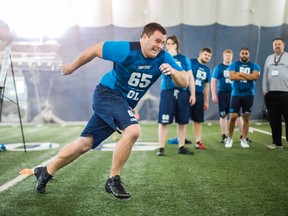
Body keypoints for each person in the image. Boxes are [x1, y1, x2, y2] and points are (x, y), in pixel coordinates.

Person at [33, 22, 188, 199]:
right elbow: (94, 49)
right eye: (157, 41)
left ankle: (45, 171)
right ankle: (113, 179)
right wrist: (72, 67)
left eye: (163, 42)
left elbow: (184, 81)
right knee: (133, 130)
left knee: (84, 144)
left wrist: (173, 73)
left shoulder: (164, 57)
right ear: (144, 37)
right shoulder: (125, 50)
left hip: (121, 103)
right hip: (107, 95)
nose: (160, 46)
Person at [156, 35, 196, 156]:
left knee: (182, 121)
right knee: (163, 121)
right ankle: (161, 148)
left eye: (172, 44)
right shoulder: (163, 57)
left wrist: (193, 94)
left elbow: (190, 77)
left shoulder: (184, 59)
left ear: (177, 45)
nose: (169, 46)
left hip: (183, 92)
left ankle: (181, 146)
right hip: (167, 91)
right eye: (167, 44)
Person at [211, 49, 251, 144]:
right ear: (223, 56)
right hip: (223, 93)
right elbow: (213, 81)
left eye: (230, 55)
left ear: (232, 57)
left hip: (235, 93)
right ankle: (224, 135)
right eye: (226, 55)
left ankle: (243, 136)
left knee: (237, 114)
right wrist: (213, 94)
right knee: (223, 114)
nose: (228, 57)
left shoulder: (236, 67)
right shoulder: (219, 67)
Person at [225, 47, 260, 148]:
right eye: (242, 53)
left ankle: (244, 139)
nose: (244, 55)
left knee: (246, 117)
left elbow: (255, 77)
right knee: (233, 117)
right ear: (239, 54)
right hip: (236, 94)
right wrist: (248, 76)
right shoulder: (233, 64)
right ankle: (229, 138)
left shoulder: (254, 66)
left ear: (249, 55)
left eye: (246, 53)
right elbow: (232, 77)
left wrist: (239, 74)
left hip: (249, 94)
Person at [263, 37, 288, 149]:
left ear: (283, 45)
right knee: (274, 120)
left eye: (279, 44)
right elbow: (265, 76)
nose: (277, 46)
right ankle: (277, 143)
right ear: (273, 46)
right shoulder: (269, 58)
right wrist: (265, 92)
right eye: (275, 44)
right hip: (271, 94)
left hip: (286, 93)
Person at [190, 47, 213, 149]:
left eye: (209, 56)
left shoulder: (207, 70)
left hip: (199, 96)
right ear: (200, 53)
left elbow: (207, 87)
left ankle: (198, 141)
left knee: (198, 120)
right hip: (188, 93)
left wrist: (207, 101)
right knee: (183, 119)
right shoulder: (191, 62)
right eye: (206, 54)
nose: (207, 57)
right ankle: (180, 140)